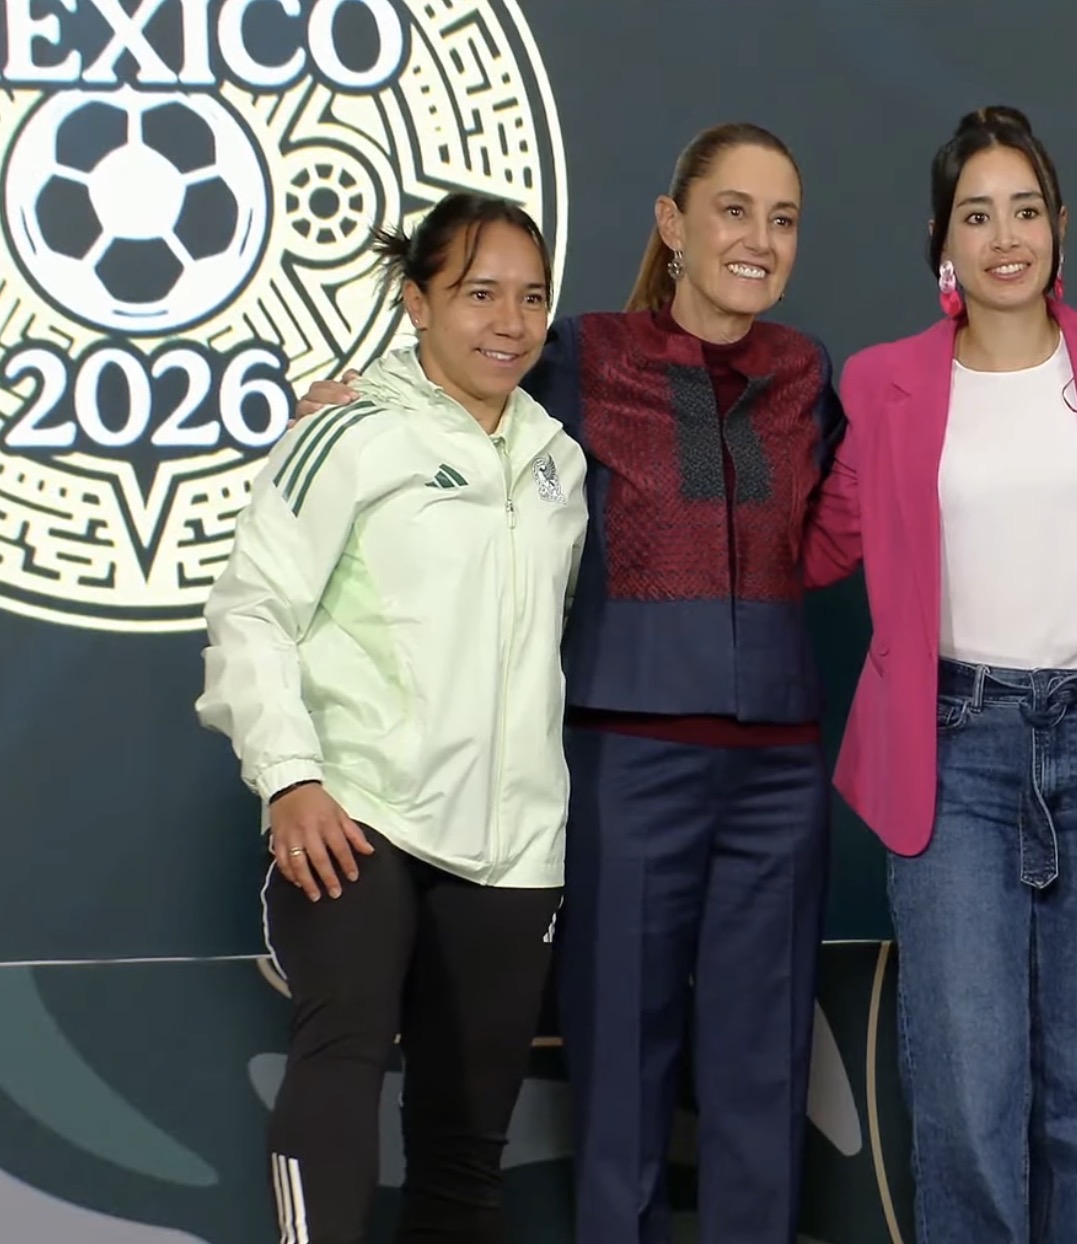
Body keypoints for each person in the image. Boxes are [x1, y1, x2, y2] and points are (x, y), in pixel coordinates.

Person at [296, 123, 845, 1244]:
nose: (758, 237)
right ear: (672, 223)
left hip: (779, 773)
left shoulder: (805, 370)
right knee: (620, 1059)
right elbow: (454, 379)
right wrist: (356, 398)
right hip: (625, 758)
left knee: (763, 1063)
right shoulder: (580, 354)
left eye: (783, 218)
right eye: (733, 209)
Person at [804, 106, 1077, 1243]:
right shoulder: (884, 382)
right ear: (943, 239)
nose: (1005, 236)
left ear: (1060, 225)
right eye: (977, 215)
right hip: (952, 747)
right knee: (969, 1094)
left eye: (1025, 210)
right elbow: (816, 545)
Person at [196, 192, 587, 1244]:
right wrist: (291, 775)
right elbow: (251, 609)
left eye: (532, 297)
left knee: (465, 1147)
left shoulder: (558, 459)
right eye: (478, 293)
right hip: (359, 814)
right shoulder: (350, 430)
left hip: (513, 846)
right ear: (417, 302)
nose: (509, 321)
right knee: (343, 1060)